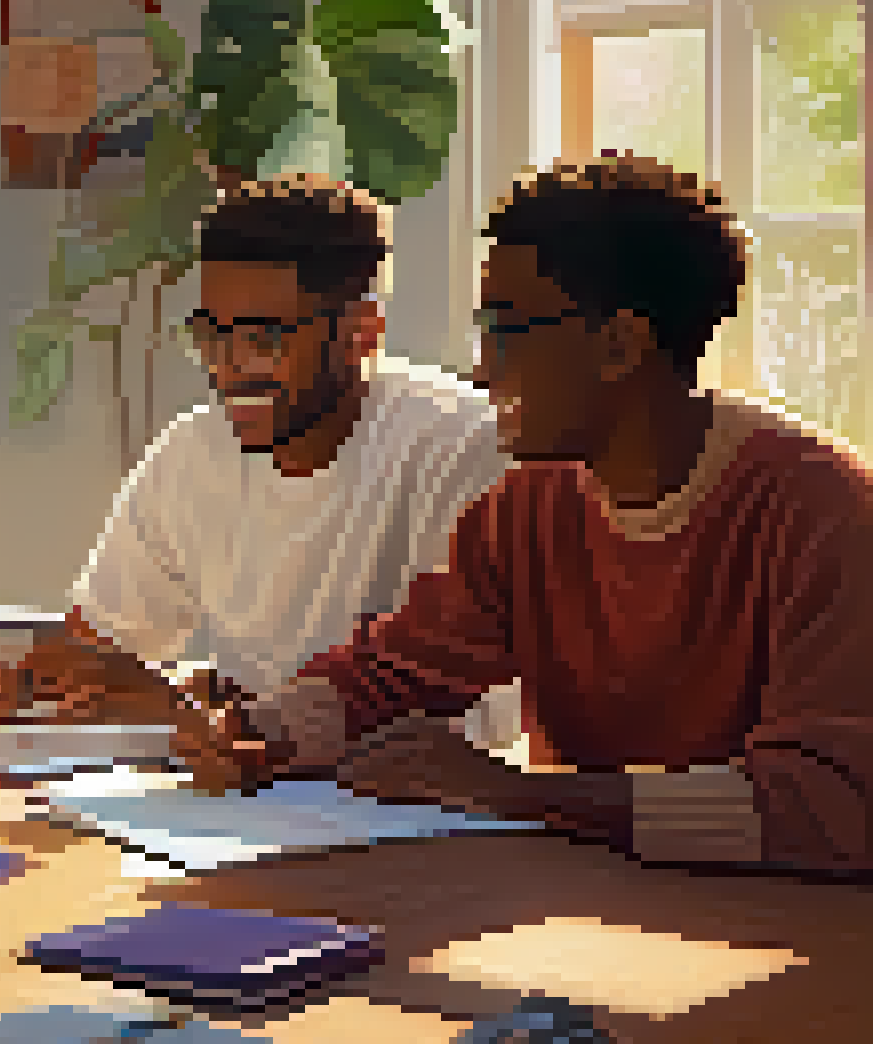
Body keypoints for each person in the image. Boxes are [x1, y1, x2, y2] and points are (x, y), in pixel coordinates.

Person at [178, 155, 873, 876]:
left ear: (619, 346)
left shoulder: (819, 509)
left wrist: (520, 793)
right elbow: (397, 670)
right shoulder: (530, 505)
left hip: (788, 920)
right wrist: (261, 729)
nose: (483, 369)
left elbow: (835, 807)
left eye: (506, 331)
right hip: (591, 898)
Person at [9, 175, 518, 760]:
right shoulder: (191, 454)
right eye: (212, 335)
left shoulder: (467, 449)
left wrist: (199, 708)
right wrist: (35, 687)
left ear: (363, 332)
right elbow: (94, 652)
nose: (231, 366)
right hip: (245, 788)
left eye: (265, 338)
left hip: (408, 804)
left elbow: (447, 721)